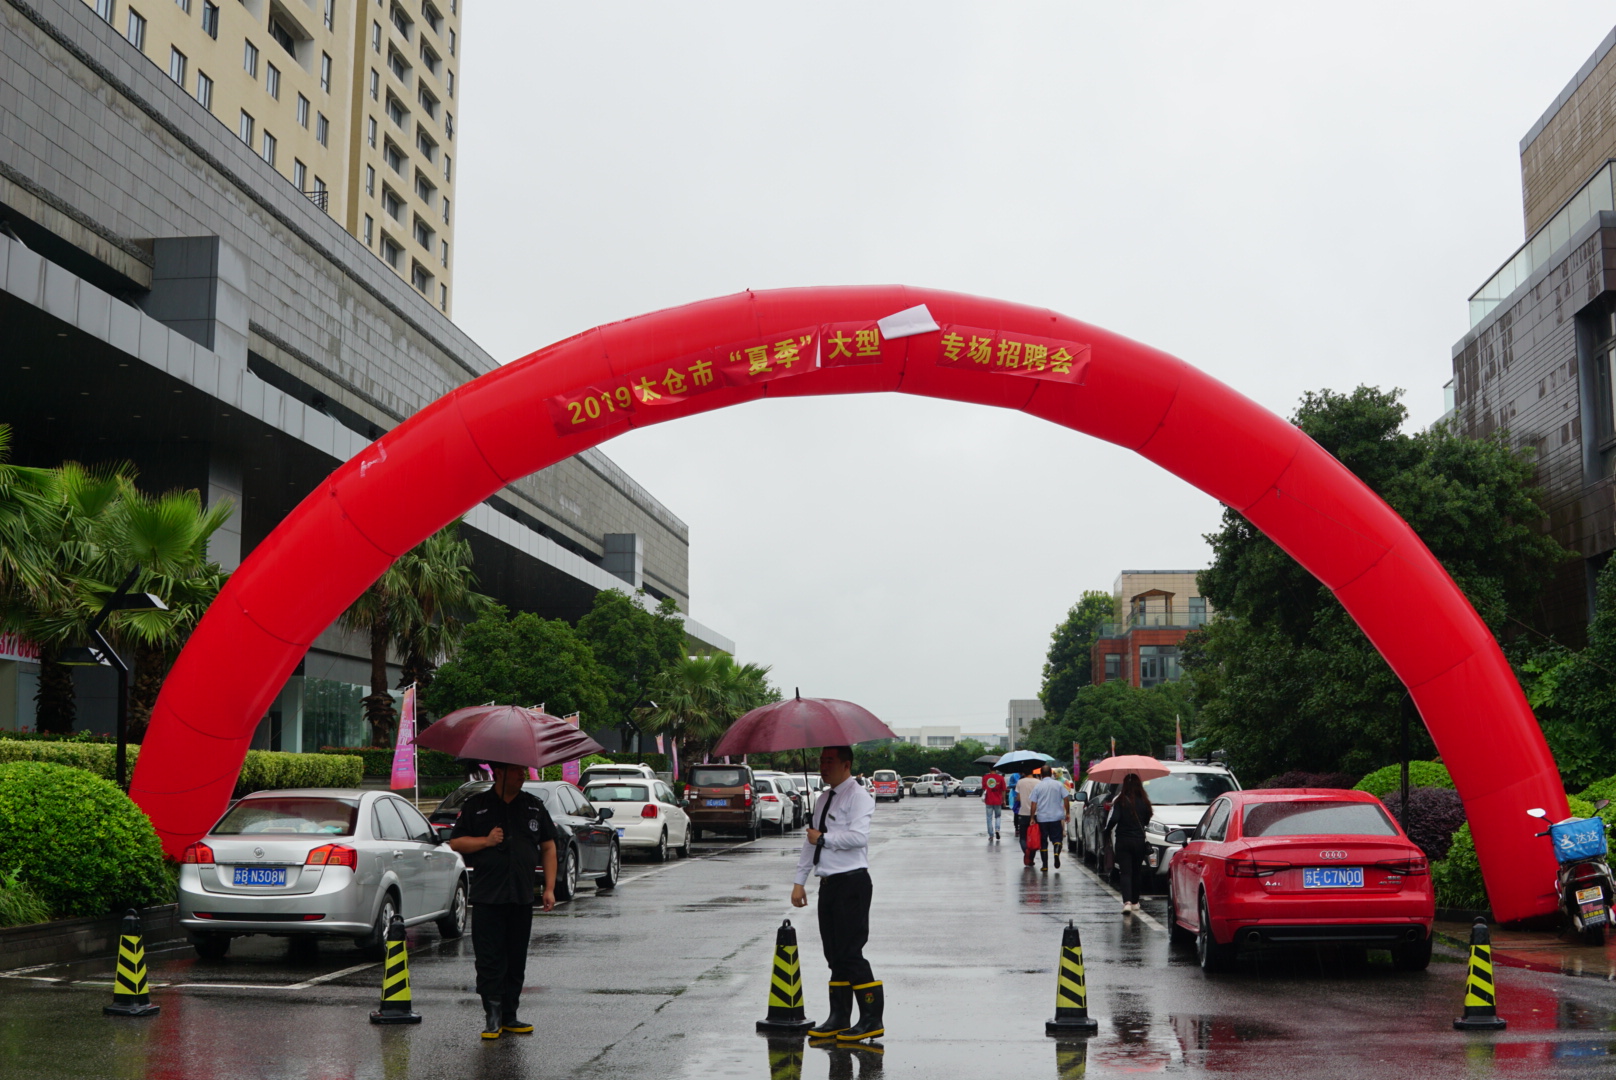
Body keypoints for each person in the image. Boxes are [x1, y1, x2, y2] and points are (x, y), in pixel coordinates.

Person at [449, 761, 558, 1039]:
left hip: (521, 897)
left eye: (523, 770)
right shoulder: (477, 805)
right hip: (488, 897)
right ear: (499, 773)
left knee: (516, 958)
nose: (522, 774)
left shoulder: (533, 806)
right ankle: (493, 1015)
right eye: (516, 770)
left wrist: (549, 888)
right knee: (489, 958)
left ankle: (510, 1015)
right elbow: (456, 842)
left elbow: (548, 847)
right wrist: (486, 841)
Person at [792, 745, 883, 1042]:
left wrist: (824, 839)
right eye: (821, 760)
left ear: (846, 764)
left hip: (852, 883)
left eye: (829, 761)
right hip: (829, 883)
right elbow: (810, 841)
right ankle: (839, 1017)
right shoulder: (823, 798)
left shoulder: (858, 796)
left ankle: (871, 1019)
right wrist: (799, 880)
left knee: (850, 952)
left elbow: (858, 838)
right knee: (833, 954)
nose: (823, 766)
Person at [1104, 772, 1154, 913]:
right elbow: (1147, 820)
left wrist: (1106, 831)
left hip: (1123, 840)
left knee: (1125, 872)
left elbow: (1114, 819)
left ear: (1124, 785)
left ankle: (1127, 902)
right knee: (1136, 872)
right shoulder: (1144, 801)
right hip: (1139, 841)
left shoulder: (1120, 801)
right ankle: (1135, 902)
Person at [1028, 769, 1070, 872]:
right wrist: (1067, 813)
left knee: (1043, 841)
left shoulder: (1038, 786)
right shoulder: (1058, 784)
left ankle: (1045, 865)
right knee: (1057, 839)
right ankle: (1056, 852)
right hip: (1056, 817)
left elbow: (1033, 803)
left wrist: (1032, 817)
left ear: (1041, 774)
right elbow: (1066, 799)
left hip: (1042, 818)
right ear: (1051, 773)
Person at [1015, 768, 1041, 866]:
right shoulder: (1038, 782)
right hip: (1036, 813)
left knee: (1023, 837)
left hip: (1023, 813)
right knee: (1034, 836)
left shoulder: (1020, 782)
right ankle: (1031, 859)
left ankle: (1026, 850)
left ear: (1023, 773)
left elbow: (1018, 798)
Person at [981, 769, 1007, 840]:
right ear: (996, 769)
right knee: (998, 816)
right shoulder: (1001, 778)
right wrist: (1004, 800)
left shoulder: (985, 777)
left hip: (988, 800)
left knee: (989, 818)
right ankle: (997, 829)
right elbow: (1003, 790)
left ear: (989, 769)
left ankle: (991, 835)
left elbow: (984, 788)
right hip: (998, 801)